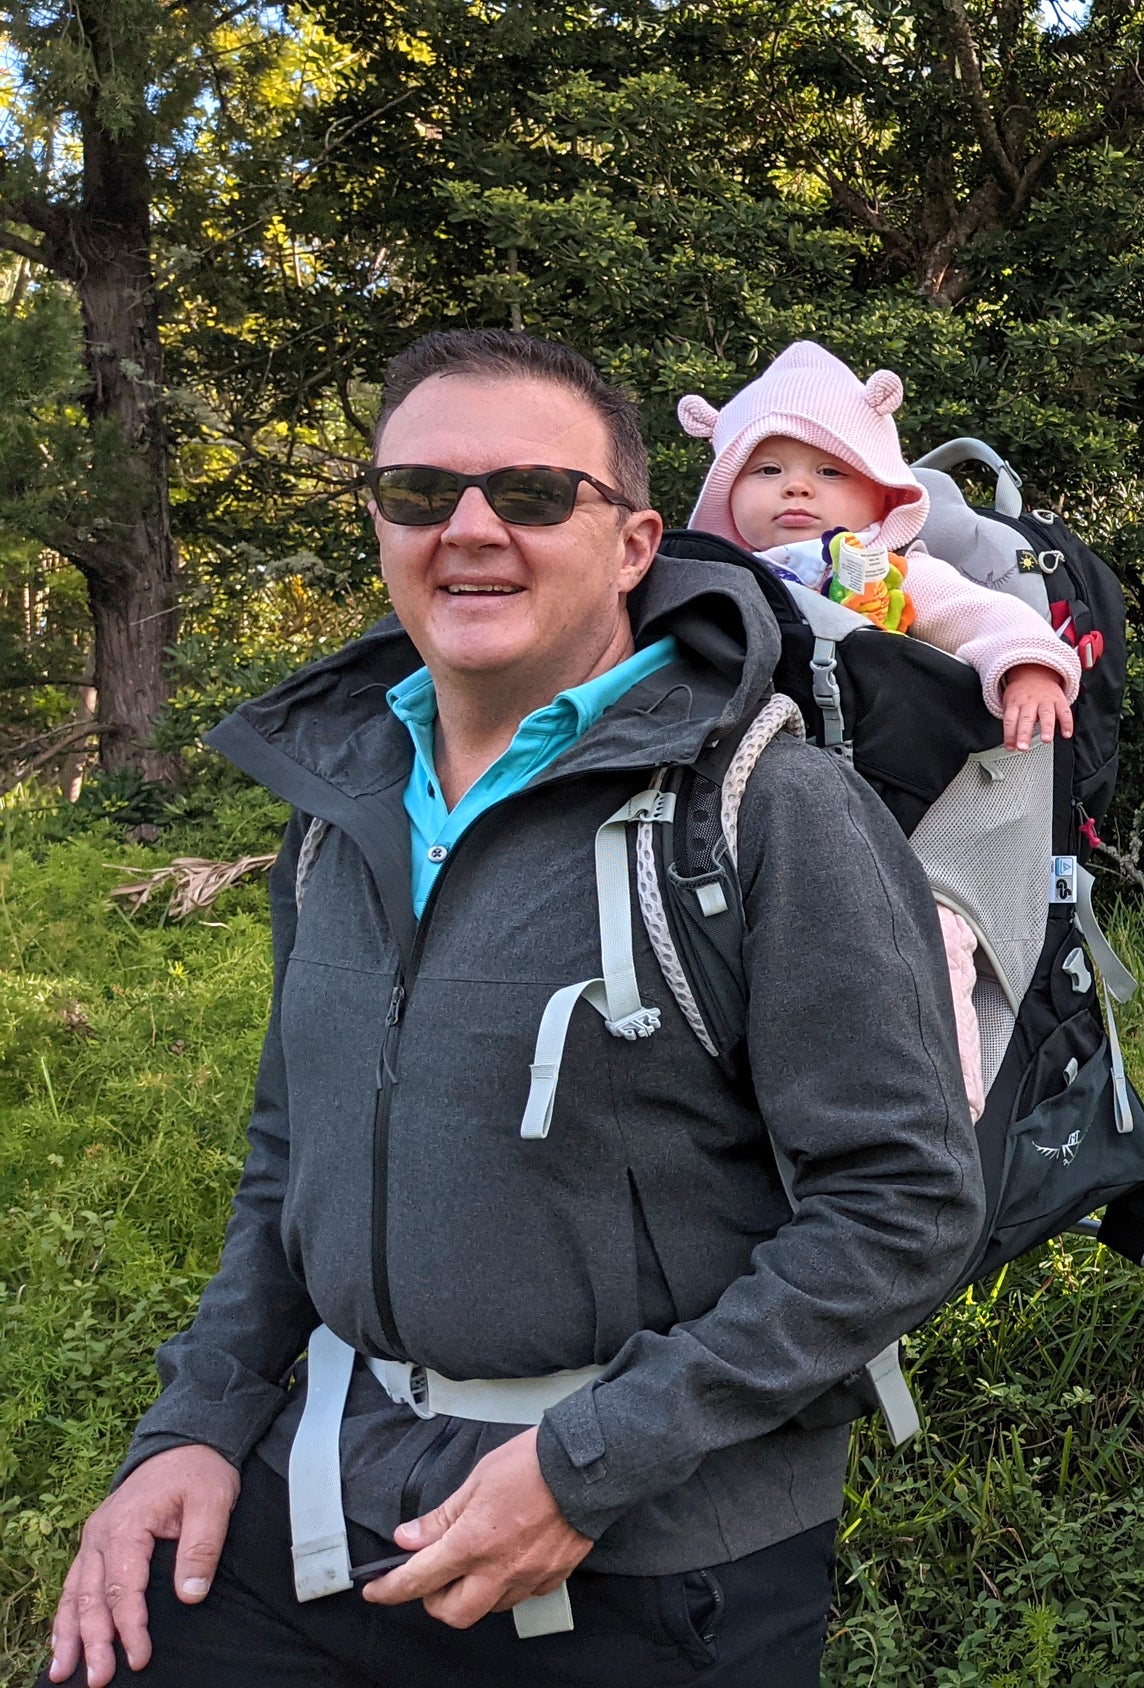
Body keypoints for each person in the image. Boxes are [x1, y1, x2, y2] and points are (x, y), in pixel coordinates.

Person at [42, 329, 987, 1686]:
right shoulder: (343, 811)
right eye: (422, 492)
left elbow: (905, 1204)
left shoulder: (768, 809)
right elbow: (285, 1166)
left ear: (632, 542)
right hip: (326, 1497)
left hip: (657, 1558)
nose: (470, 528)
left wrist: (582, 1462)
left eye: (534, 495)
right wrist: (193, 1427)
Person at [678, 340, 1080, 1109]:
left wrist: (1028, 665)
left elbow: (984, 616)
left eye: (829, 471)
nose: (796, 487)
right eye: (767, 471)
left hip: (904, 820)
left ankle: (939, 1117)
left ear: (880, 497)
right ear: (726, 490)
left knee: (928, 937)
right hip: (750, 819)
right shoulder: (706, 583)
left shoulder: (888, 570)